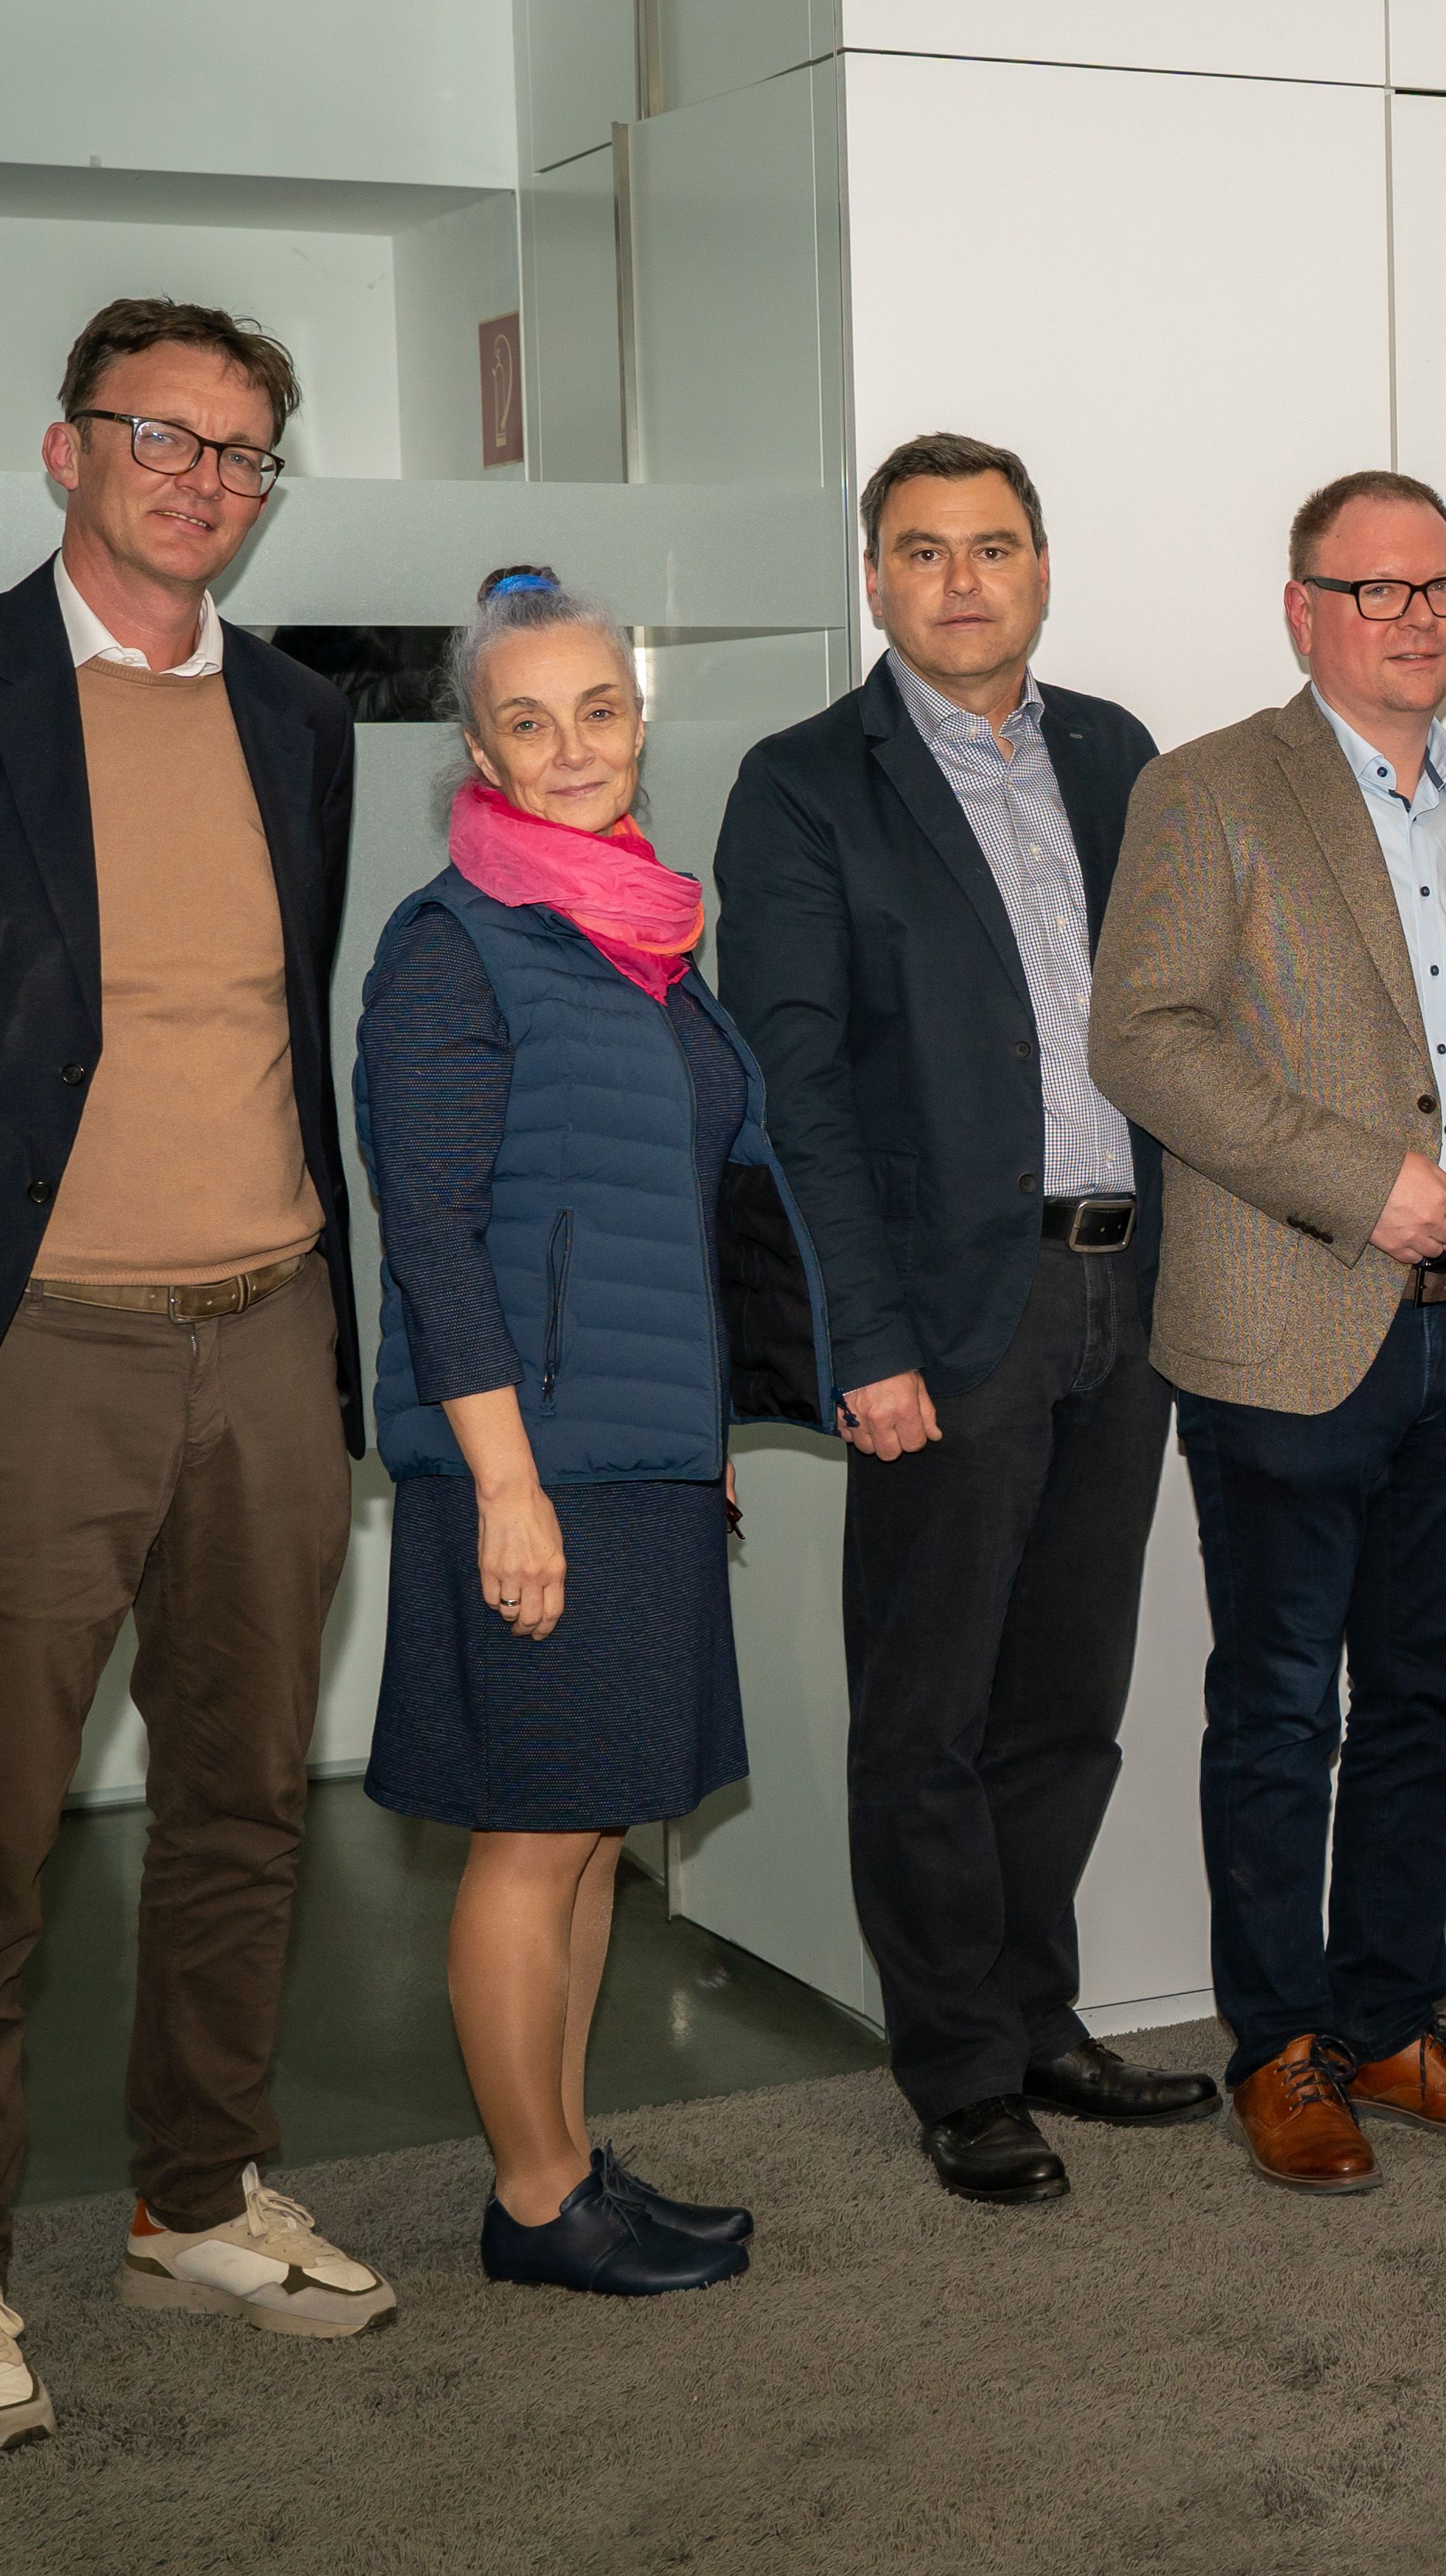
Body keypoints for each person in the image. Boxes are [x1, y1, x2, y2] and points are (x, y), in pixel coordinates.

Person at [0, 297, 389, 2455]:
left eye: (240, 451)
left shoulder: (300, 720)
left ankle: (194, 2195)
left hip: (274, 1332)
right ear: (66, 451)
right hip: (32, 1355)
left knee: (242, 1803)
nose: (199, 476)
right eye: (160, 435)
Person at [716, 434, 1210, 2210]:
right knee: (926, 1705)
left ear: (1041, 565)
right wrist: (861, 1335)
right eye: (920, 550)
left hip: (1126, 1288)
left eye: (992, 545)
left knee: (1067, 1691)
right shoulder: (800, 785)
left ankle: (1037, 2010)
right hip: (943, 1304)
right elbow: (795, 1086)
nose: (961, 579)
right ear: (876, 579)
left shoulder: (1114, 753)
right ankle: (955, 2065)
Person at [1090, 468, 1446, 2194]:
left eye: (1443, 587)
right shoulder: (1209, 788)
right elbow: (1142, 1035)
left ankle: (1390, 2021)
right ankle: (1276, 2047)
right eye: (1377, 591)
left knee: (1429, 1701)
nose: (1417, 616)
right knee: (1282, 1707)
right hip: (1285, 1321)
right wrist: (1364, 1180)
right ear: (1303, 611)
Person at [356, 569, 831, 2293]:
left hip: (636, 1452)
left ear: (641, 721)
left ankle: (560, 2165)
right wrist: (504, 1486)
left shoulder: (637, 935)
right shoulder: (450, 945)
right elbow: (431, 1230)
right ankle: (538, 2197)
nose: (571, 751)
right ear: (476, 747)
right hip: (529, 1462)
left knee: (592, 1831)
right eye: (528, 723)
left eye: (601, 713)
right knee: (530, 1832)